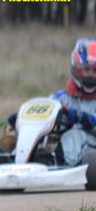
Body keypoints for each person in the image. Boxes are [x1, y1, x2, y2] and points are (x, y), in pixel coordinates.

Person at [7, 38, 96, 166]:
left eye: (95, 71)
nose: (90, 75)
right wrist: (23, 119)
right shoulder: (62, 97)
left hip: (90, 144)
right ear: (77, 70)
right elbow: (45, 109)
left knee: (74, 136)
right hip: (63, 144)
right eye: (86, 69)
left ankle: (54, 161)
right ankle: (17, 159)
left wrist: (79, 117)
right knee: (45, 136)